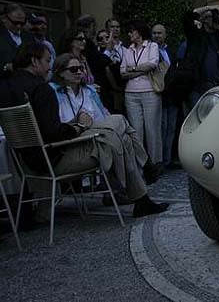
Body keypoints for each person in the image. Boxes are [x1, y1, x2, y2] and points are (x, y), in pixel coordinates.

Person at [0, 43, 167, 217]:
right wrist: (79, 127)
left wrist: (74, 124)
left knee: (118, 129)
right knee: (118, 128)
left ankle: (143, 198)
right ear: (35, 61)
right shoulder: (43, 90)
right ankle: (145, 172)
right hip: (54, 159)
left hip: (25, 162)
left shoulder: (6, 87)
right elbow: (53, 134)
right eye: (47, 60)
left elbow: (42, 128)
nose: (49, 66)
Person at [120, 19, 163, 167]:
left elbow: (152, 64)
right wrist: (139, 70)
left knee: (152, 129)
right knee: (136, 131)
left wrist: (132, 70)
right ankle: (141, 163)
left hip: (150, 91)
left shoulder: (152, 46)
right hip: (131, 94)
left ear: (139, 32)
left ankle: (155, 162)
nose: (129, 34)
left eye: (132, 31)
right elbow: (122, 72)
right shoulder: (128, 50)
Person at [151, 24, 177, 169]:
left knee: (171, 128)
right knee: (161, 127)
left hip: (171, 93)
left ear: (165, 34)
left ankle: (168, 159)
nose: (157, 35)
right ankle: (160, 160)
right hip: (158, 92)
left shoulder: (170, 50)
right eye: (154, 33)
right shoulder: (149, 51)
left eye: (159, 33)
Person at [1, 3, 34, 78]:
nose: (18, 26)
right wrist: (6, 67)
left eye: (22, 23)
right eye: (15, 23)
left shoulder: (29, 37)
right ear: (4, 19)